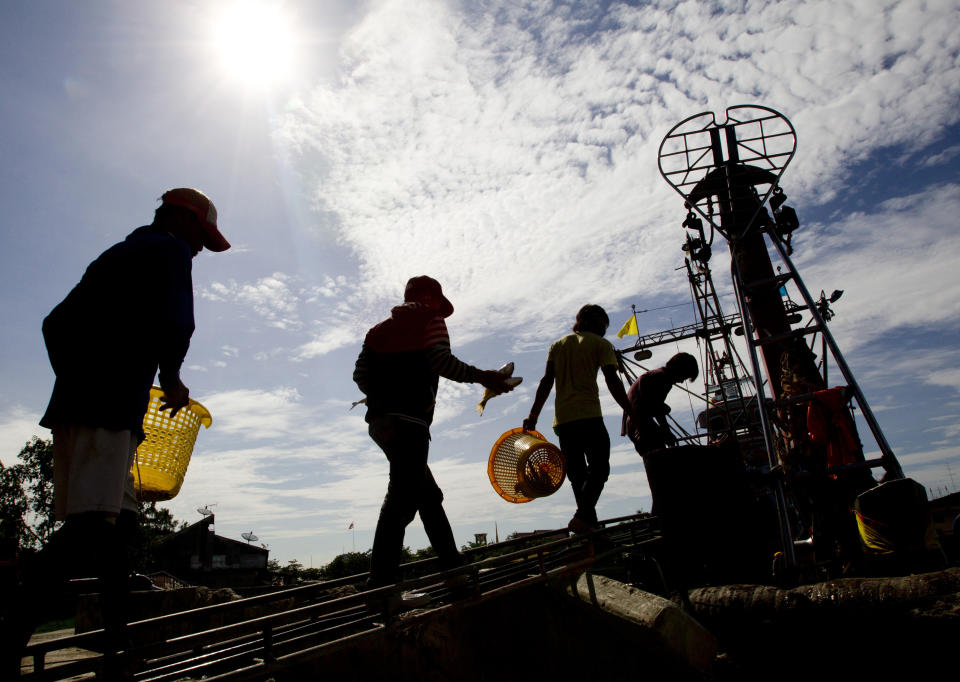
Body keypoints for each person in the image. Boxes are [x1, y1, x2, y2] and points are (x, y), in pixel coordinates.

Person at [4, 188, 229, 672]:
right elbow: (177, 322)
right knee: (88, 526)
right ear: (180, 220)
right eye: (200, 239)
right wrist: (168, 377)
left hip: (89, 404)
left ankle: (116, 643)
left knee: (119, 526)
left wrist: (75, 378)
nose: (198, 251)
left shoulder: (119, 254)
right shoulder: (167, 248)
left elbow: (53, 323)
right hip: (105, 406)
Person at [353, 276, 516, 594]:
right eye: (439, 301)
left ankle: (453, 568)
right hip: (410, 423)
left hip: (380, 423)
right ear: (430, 298)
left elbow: (360, 375)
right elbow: (441, 361)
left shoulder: (377, 331)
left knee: (427, 496)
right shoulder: (432, 318)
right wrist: (484, 376)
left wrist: (386, 395)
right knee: (401, 499)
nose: (441, 307)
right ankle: (381, 588)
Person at [523, 304, 631, 534]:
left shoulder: (558, 345)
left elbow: (546, 382)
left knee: (578, 476)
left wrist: (533, 415)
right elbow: (613, 381)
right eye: (604, 323)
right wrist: (631, 410)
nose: (605, 329)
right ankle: (582, 517)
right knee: (600, 469)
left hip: (563, 421)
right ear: (594, 322)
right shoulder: (601, 344)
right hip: (589, 416)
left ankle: (587, 525)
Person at [623, 352, 699, 456]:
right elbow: (657, 409)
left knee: (656, 459)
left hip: (633, 424)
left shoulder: (655, 375)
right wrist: (667, 432)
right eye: (684, 377)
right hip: (640, 424)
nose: (681, 381)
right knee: (660, 458)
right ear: (680, 370)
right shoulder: (663, 378)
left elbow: (654, 406)